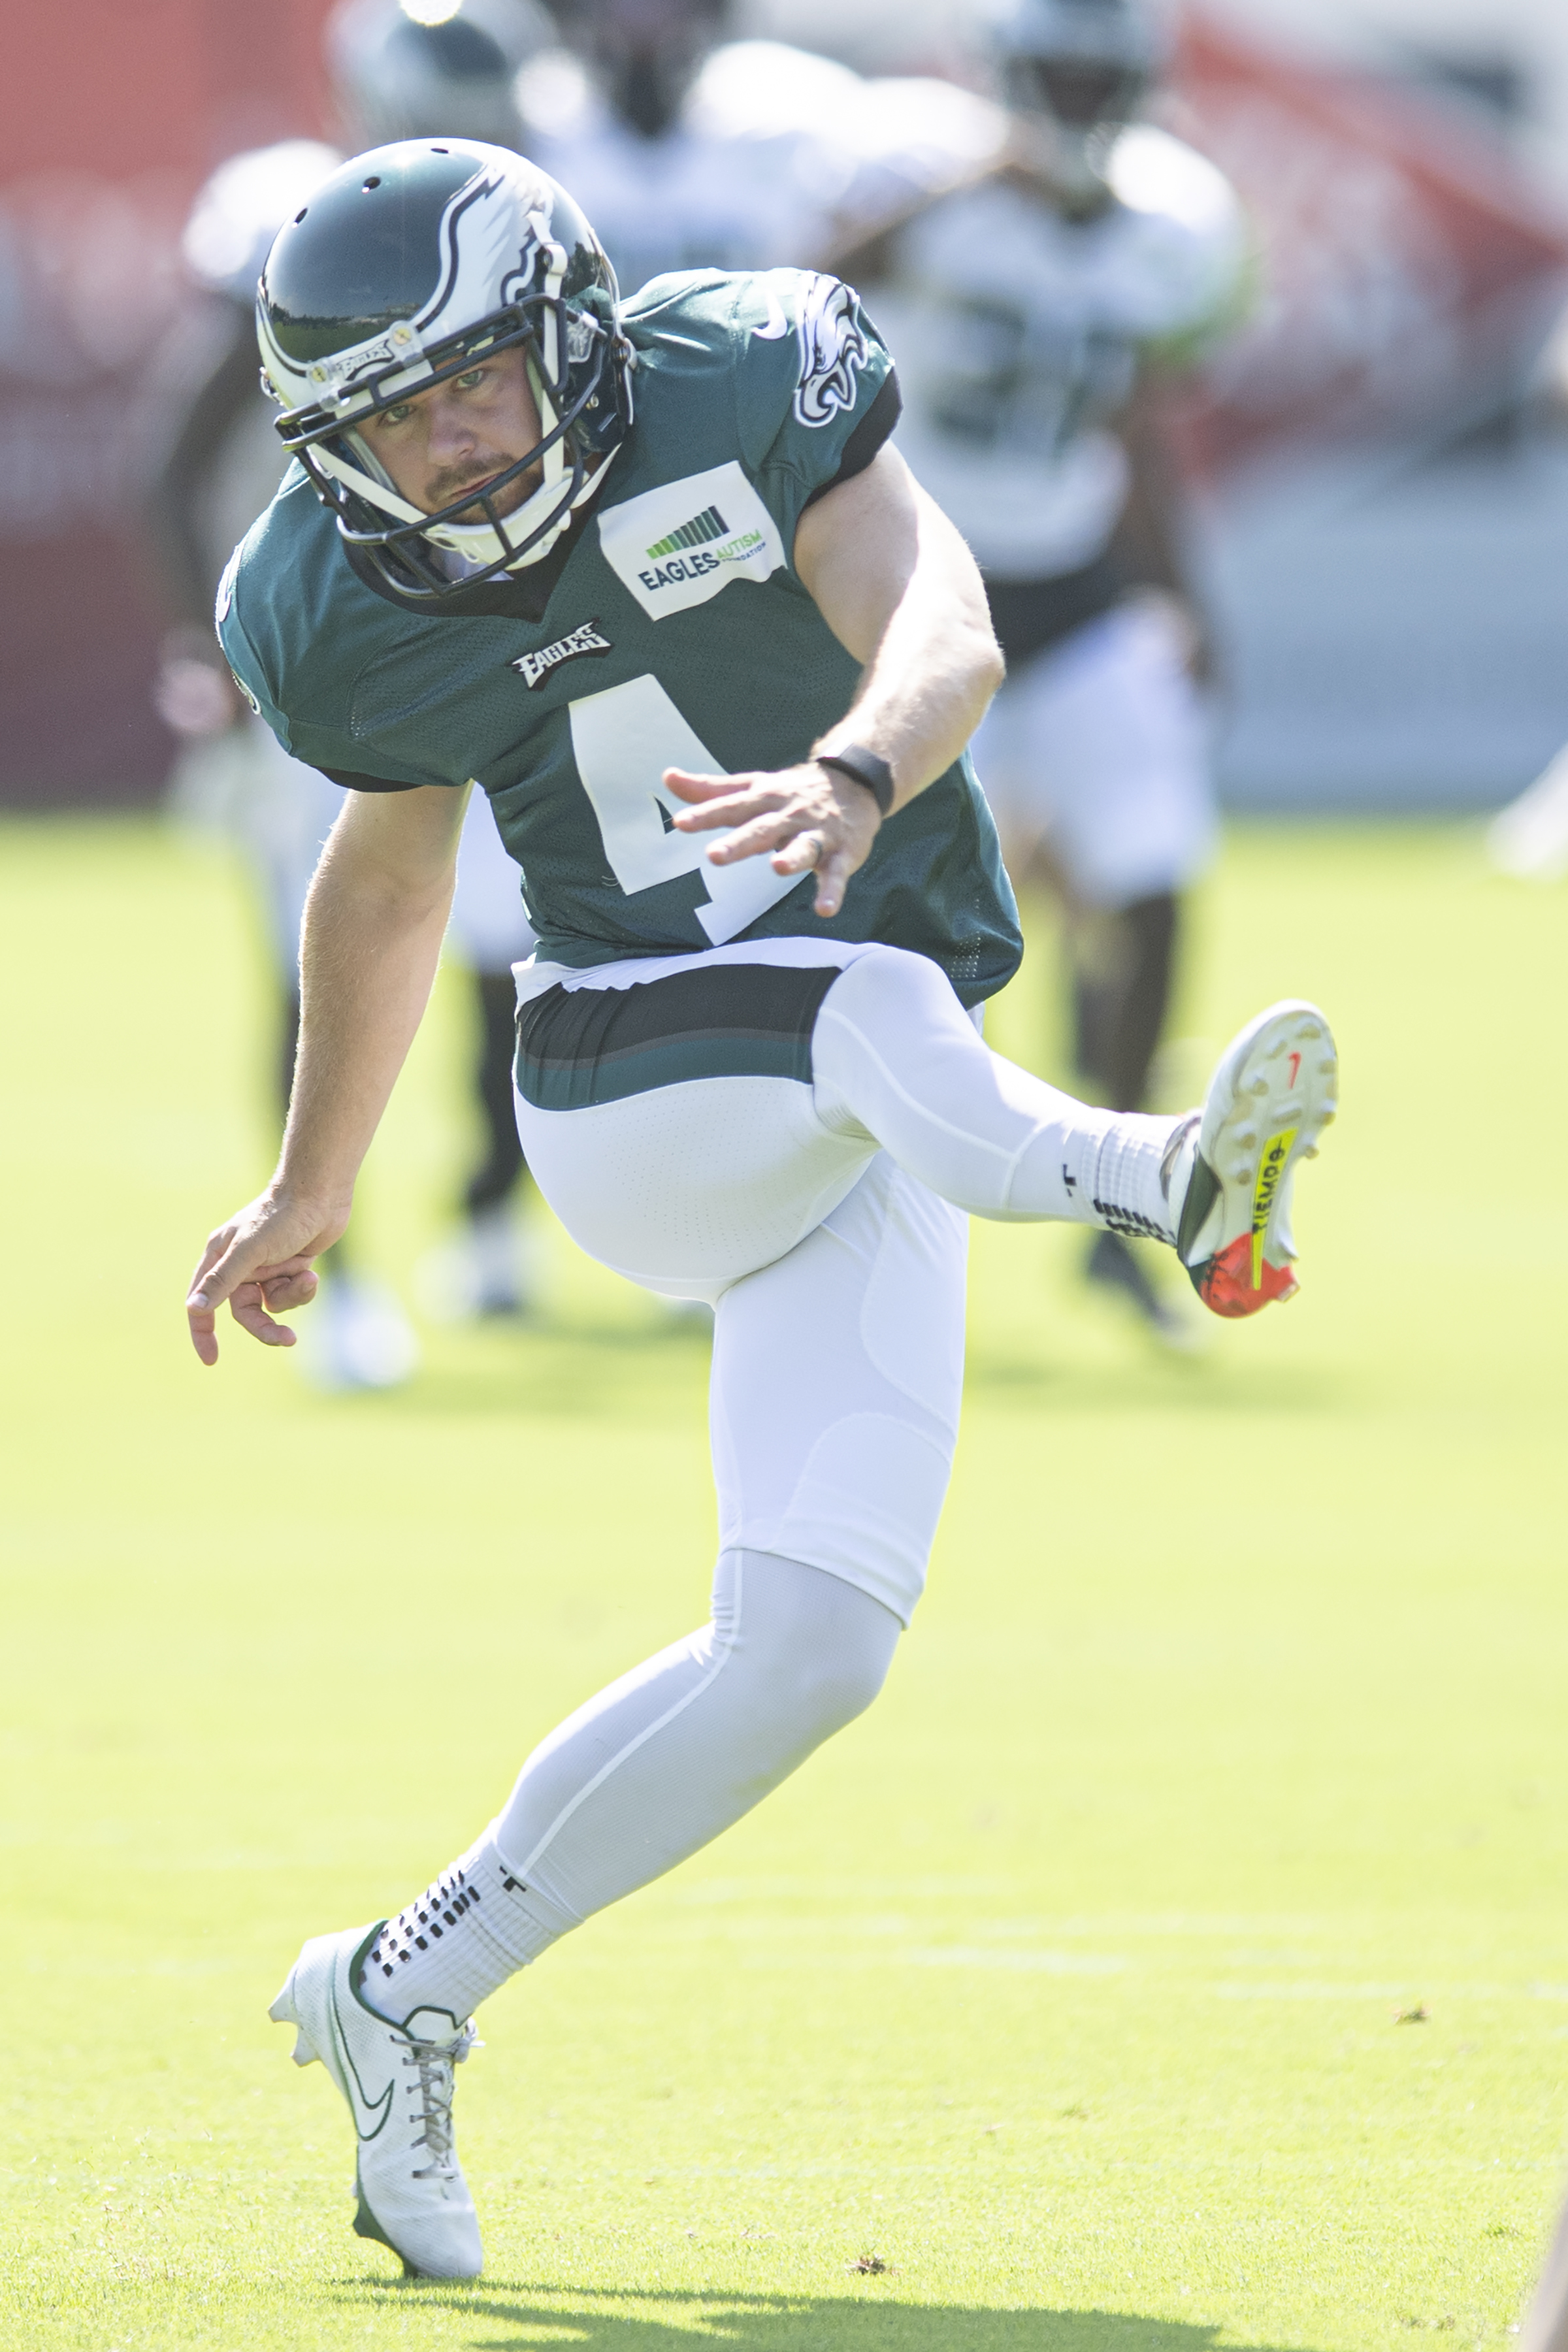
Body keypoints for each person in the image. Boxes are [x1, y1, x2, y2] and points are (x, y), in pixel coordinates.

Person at [185, 138, 1337, 2279]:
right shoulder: (333, 605)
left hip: (855, 1097)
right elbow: (391, 875)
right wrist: (314, 1182)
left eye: (472, 384)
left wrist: (860, 772)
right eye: (389, 417)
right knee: (880, 995)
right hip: (629, 1080)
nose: (445, 445)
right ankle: (1161, 1175)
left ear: (572, 331)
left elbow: (946, 619)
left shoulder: (746, 376)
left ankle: (401, 1985)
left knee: (808, 1650)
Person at [148, 0, 554, 1367]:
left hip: (477, 630)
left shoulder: (525, 230)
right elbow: (184, 444)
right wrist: (204, 644)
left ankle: (496, 1221)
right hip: (329, 640)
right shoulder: (292, 225)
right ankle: (338, 1277)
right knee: (313, 962)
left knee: (515, 948)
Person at [840, 0, 1248, 1344]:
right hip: (924, 591)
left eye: (1097, 76)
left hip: (1077, 584)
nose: (1077, 100)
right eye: (1057, 75)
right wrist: (965, 185)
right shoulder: (929, 185)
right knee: (891, 911)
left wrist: (1181, 593)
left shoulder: (1170, 225)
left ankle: (1133, 1195)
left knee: (1155, 871)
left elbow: (1131, 420)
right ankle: (871, 1192)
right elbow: (796, 291)